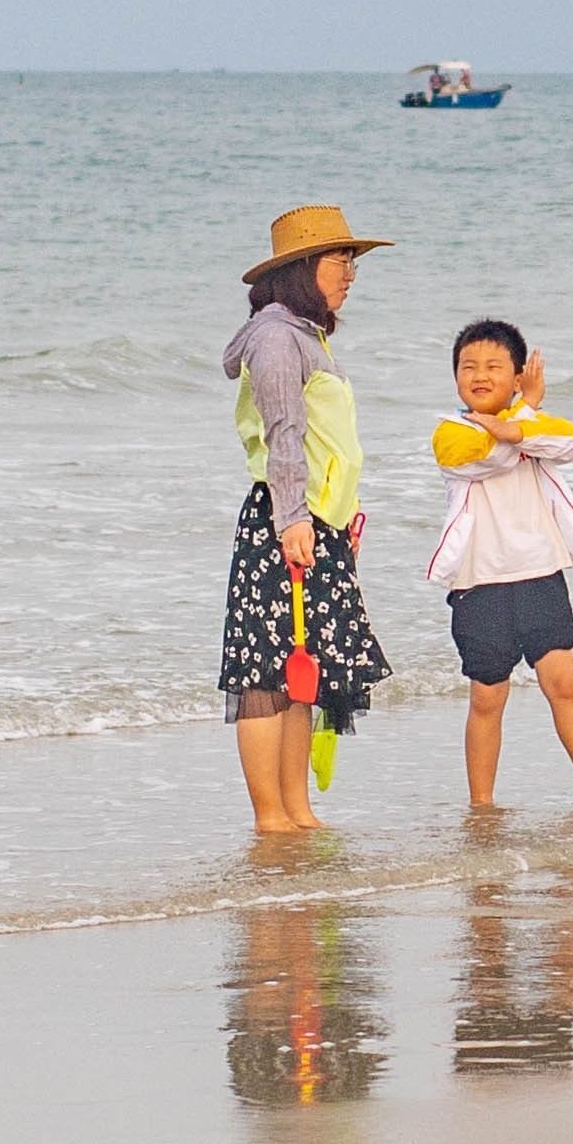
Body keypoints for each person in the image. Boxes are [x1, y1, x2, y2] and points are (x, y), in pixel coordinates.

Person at [221, 205, 396, 835]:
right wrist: (294, 518)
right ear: (303, 268)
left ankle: (298, 810)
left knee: (304, 670)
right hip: (283, 519)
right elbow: (283, 433)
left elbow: (328, 442)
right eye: (339, 259)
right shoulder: (275, 336)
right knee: (264, 671)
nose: (351, 273)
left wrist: (339, 523)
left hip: (316, 521)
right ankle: (271, 816)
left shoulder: (307, 333)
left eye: (352, 260)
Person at [425, 317, 573, 811]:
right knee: (488, 698)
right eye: (468, 366)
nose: (479, 375)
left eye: (493, 366)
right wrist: (518, 422)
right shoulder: (451, 431)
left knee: (564, 684)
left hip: (540, 576)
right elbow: (492, 459)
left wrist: (521, 417)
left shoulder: (533, 423)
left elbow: (568, 441)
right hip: (479, 585)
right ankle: (481, 807)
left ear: (518, 375)